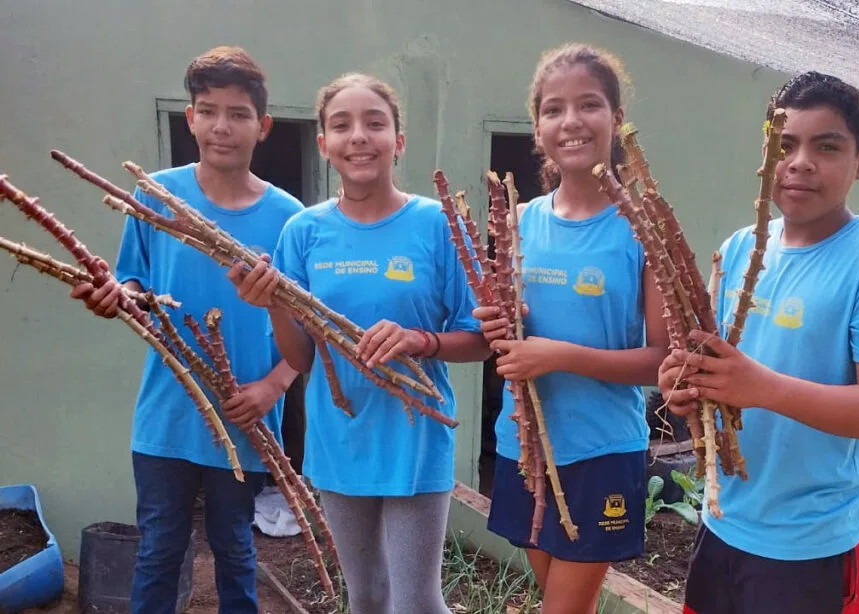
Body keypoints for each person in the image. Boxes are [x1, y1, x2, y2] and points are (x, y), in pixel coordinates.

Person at [657, 71, 859, 614]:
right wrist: (683, 382)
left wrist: (761, 387)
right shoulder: (741, 247)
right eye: (785, 146)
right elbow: (712, 363)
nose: (800, 162)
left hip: (813, 542)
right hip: (724, 518)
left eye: (826, 146)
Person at [227, 72, 490, 614]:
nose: (359, 137)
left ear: (399, 139)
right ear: (324, 144)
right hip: (338, 439)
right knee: (367, 598)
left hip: (416, 438)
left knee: (416, 602)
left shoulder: (440, 224)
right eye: (341, 125)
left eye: (375, 123)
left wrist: (421, 340)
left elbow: (480, 341)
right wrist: (274, 301)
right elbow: (300, 359)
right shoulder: (303, 231)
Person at [71, 46, 303, 614]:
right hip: (166, 415)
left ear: (263, 126)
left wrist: (272, 387)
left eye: (239, 113)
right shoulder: (155, 197)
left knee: (235, 550)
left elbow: (305, 330)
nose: (222, 126)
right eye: (208, 110)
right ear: (189, 118)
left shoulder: (291, 218)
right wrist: (116, 297)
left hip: (245, 414)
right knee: (158, 552)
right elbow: (133, 287)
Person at [473, 43, 670, 614]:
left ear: (616, 119)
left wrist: (557, 355)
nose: (572, 121)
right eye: (554, 109)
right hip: (523, 446)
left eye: (589, 104)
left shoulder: (643, 224)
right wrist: (496, 325)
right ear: (538, 129)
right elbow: (509, 333)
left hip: (600, 448)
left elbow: (660, 360)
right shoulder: (519, 221)